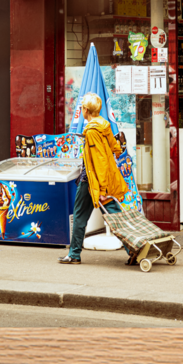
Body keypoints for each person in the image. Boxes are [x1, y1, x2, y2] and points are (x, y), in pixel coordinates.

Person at [59, 93, 131, 264]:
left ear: (86, 110)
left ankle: (74, 254)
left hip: (91, 182)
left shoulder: (91, 131)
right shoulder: (104, 126)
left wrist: (102, 189)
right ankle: (134, 249)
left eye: (82, 107)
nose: (81, 109)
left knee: (79, 217)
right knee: (116, 217)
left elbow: (98, 162)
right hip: (102, 180)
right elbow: (116, 148)